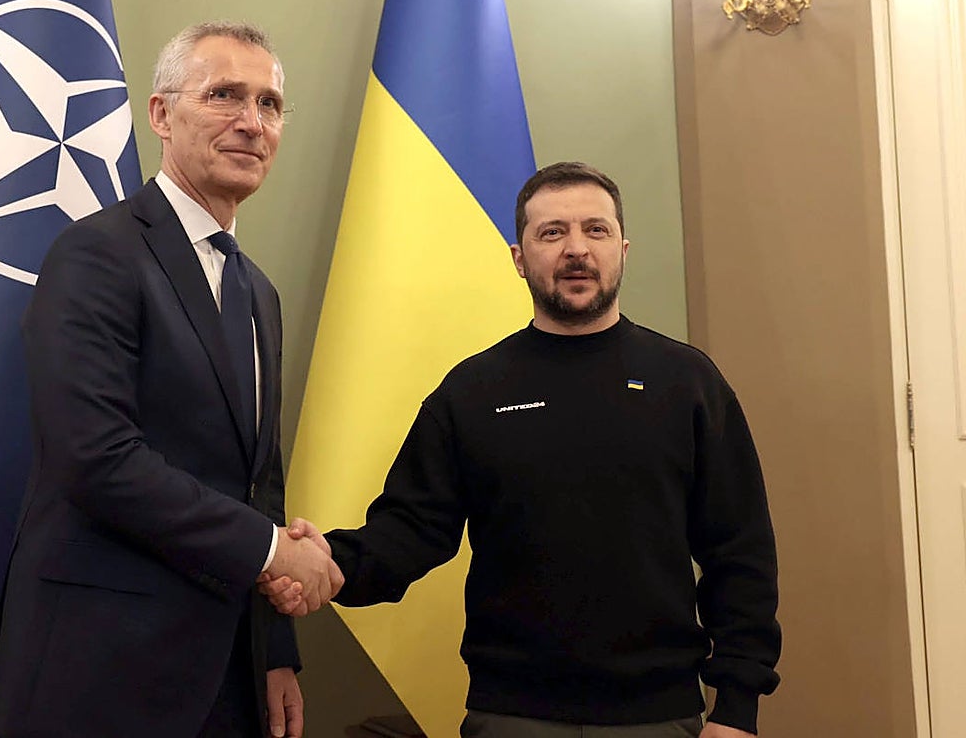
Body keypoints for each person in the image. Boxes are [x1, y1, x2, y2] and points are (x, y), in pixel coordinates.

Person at [262, 162, 781, 737]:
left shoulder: (688, 384)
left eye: (596, 230)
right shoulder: (473, 391)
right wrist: (331, 563)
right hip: (510, 715)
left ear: (624, 250)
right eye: (552, 232)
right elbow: (410, 530)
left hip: (661, 715)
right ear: (518, 257)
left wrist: (737, 708)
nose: (576, 249)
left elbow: (741, 553)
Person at [0, 21, 342, 738]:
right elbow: (95, 458)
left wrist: (274, 648)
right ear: (160, 114)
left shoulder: (259, 293)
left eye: (270, 104)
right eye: (224, 96)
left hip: (225, 677)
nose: (251, 122)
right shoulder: (96, 254)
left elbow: (258, 483)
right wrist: (276, 551)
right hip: (99, 668)